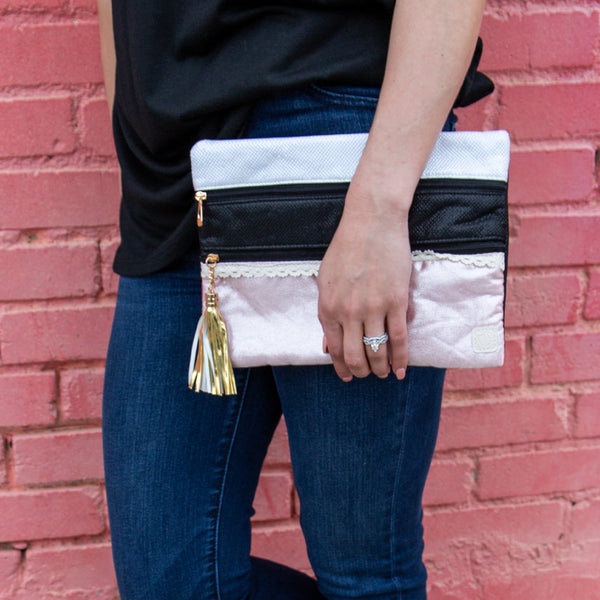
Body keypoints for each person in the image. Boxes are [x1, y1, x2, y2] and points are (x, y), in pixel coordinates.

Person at [98, 1, 493, 599]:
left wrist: (380, 207)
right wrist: (134, 120)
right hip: (175, 169)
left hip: (336, 139)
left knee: (365, 575)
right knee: (167, 581)